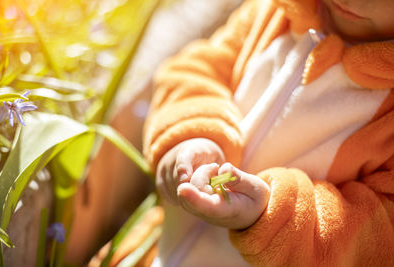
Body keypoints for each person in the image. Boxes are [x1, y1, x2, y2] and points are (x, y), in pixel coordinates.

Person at [143, 0, 394, 266]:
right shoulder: (278, 13)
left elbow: (379, 236)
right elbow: (197, 71)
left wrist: (271, 213)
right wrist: (190, 136)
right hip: (154, 248)